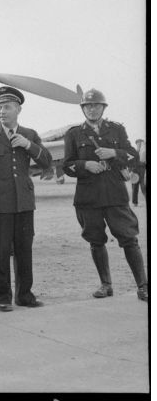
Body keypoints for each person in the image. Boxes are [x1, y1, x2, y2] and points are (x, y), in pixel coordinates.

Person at [63, 89, 148, 302]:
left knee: (129, 239)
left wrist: (114, 153)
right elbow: (66, 165)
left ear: (103, 108)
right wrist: (85, 165)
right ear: (83, 109)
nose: (92, 109)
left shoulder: (117, 130)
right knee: (95, 241)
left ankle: (143, 286)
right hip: (88, 197)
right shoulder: (73, 134)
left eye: (96, 105)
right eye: (88, 106)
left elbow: (133, 156)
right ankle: (106, 285)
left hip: (115, 195)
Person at [0, 86, 51, 312]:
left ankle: (25, 295)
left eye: (7, 107)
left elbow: (47, 161)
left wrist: (28, 145)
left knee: (24, 250)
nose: (1, 112)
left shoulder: (30, 134)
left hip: (24, 202)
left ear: (18, 109)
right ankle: (2, 297)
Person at [131, 138, 146, 206]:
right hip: (134, 171)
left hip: (143, 171)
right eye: (137, 143)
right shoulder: (133, 152)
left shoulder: (144, 152)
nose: (139, 144)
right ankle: (135, 203)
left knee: (144, 187)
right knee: (134, 188)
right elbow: (129, 161)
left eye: (140, 143)